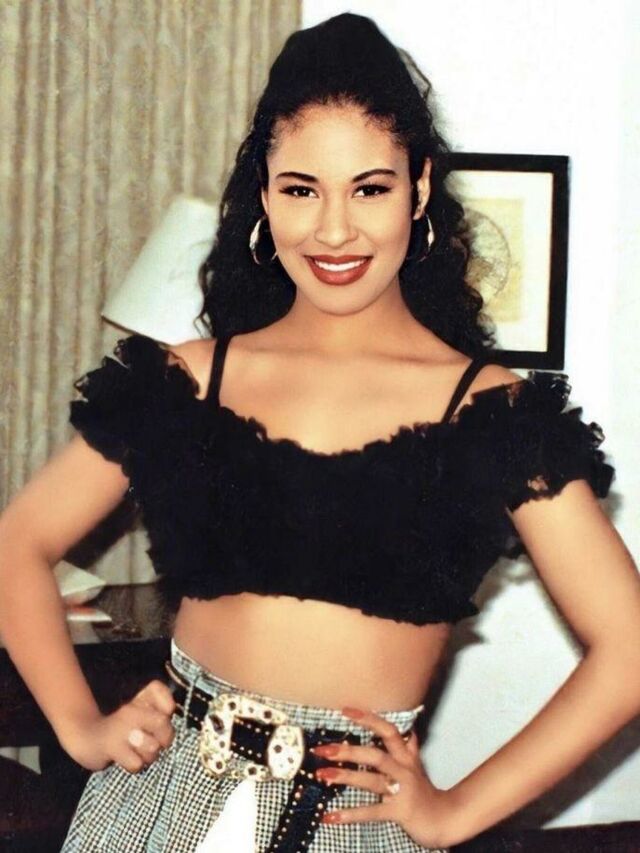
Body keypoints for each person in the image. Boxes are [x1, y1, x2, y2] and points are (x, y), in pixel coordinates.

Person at [0, 11, 638, 853]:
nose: (334, 230)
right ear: (265, 195)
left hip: (350, 825)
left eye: (369, 189)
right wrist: (81, 727)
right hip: (156, 806)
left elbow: (629, 649)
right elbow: (17, 542)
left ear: (419, 189)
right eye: (302, 189)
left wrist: (454, 810)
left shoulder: (491, 414)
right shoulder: (187, 378)